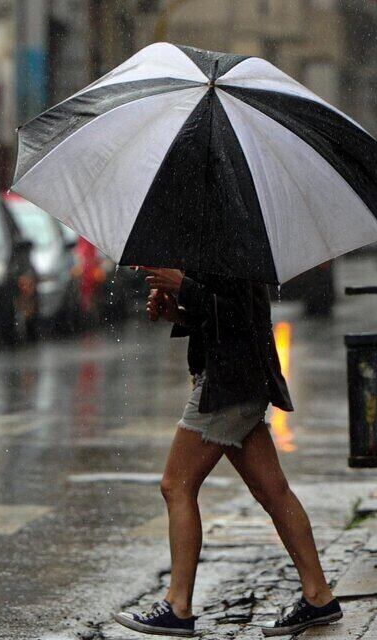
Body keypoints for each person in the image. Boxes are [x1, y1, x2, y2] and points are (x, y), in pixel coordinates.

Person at [113, 267, 341, 638]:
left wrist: (183, 285)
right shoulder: (218, 244)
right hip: (236, 379)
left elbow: (240, 317)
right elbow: (220, 317)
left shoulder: (233, 246)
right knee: (273, 491)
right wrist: (177, 312)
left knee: (176, 486)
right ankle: (318, 596)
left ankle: (178, 606)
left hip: (228, 384)